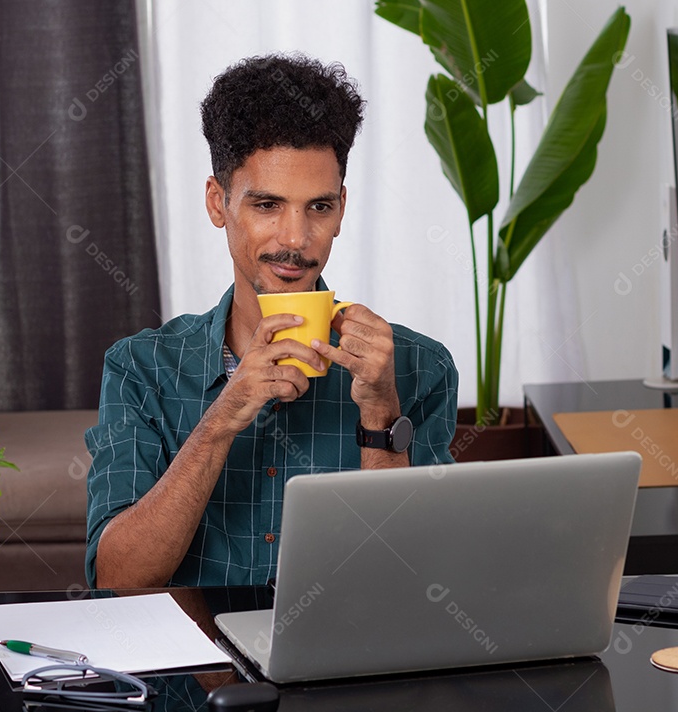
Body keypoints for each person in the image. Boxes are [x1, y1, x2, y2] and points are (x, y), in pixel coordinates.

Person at [85, 53, 458, 589]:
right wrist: (220, 419)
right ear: (218, 203)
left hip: (345, 667)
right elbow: (116, 580)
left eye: (319, 207)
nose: (295, 240)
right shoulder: (141, 369)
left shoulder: (418, 367)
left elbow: (419, 584)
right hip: (198, 670)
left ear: (342, 209)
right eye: (267, 205)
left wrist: (380, 414)